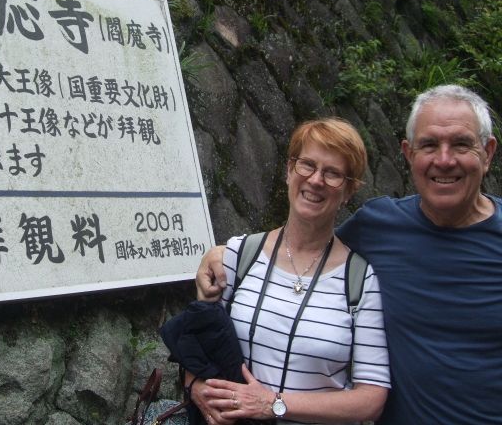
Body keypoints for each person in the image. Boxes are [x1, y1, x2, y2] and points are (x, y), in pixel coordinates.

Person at [196, 84, 502, 424]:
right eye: (429, 144)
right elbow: (308, 246)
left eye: (461, 144)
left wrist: (274, 403)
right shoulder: (380, 225)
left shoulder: (364, 272)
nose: (444, 160)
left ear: (487, 153)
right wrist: (221, 254)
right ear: (408, 154)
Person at [187, 117, 390, 425]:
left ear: (349, 191)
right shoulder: (238, 256)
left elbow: (371, 398)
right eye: (306, 164)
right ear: (288, 170)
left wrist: (275, 404)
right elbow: (197, 343)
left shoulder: (360, 280)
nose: (316, 180)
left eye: (333, 173)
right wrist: (195, 386)